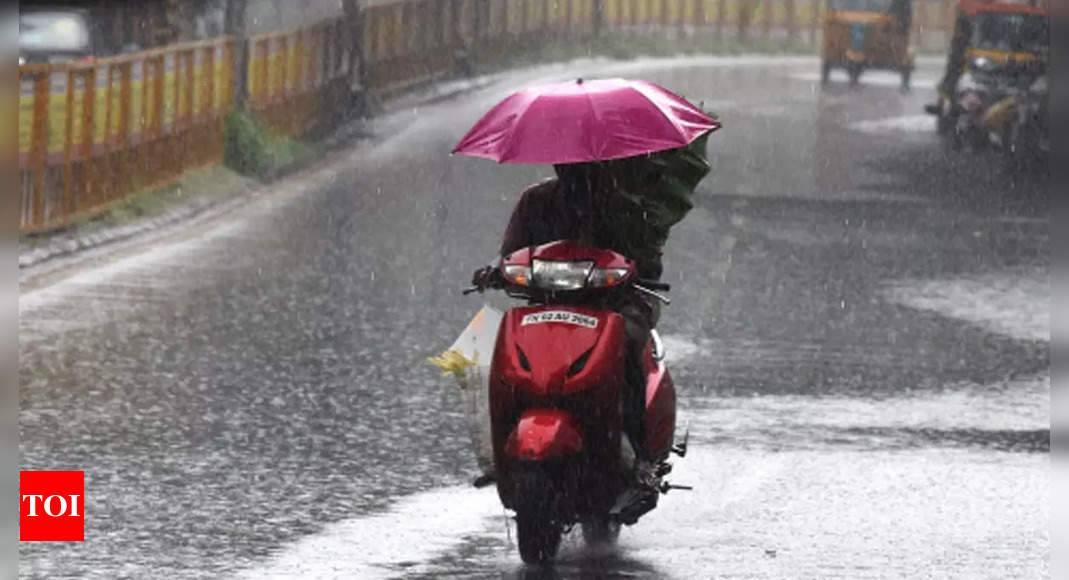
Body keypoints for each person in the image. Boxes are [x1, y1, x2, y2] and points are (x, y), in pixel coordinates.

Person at [472, 155, 678, 484]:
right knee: (500, 350)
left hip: (620, 303)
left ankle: (639, 452)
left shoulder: (625, 204)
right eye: (564, 161)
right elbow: (509, 250)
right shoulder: (535, 200)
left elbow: (648, 262)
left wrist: (634, 272)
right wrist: (494, 271)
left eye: (581, 163)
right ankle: (501, 447)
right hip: (548, 303)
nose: (570, 168)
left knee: (628, 340)